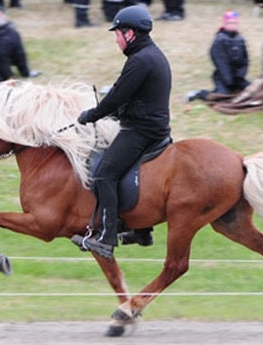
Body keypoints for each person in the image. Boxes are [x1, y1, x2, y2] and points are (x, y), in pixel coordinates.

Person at [75, 5, 172, 260]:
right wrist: (115, 112)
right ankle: (141, 231)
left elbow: (117, 95)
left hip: (142, 131)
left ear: (131, 34)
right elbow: (135, 98)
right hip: (152, 126)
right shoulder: (152, 55)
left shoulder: (139, 61)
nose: (116, 39)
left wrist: (91, 115)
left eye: (118, 33)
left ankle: (106, 239)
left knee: (104, 175)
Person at [185, 11, 249, 102]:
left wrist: (241, 74)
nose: (233, 25)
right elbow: (220, 62)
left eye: (235, 23)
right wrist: (228, 79)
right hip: (223, 76)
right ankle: (199, 94)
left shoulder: (240, 40)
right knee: (221, 96)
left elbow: (245, 59)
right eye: (230, 23)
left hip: (238, 76)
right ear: (224, 24)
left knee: (251, 91)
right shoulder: (219, 40)